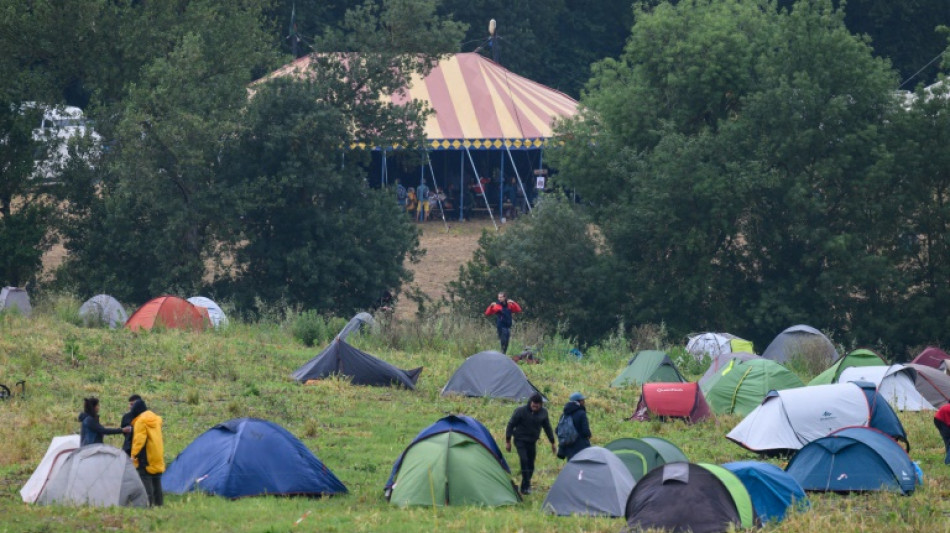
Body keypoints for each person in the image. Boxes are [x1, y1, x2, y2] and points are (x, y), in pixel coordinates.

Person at [505, 393, 556, 495]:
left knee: (531, 465)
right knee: (524, 460)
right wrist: (508, 441)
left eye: (537, 406)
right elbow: (510, 425)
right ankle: (527, 485)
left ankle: (524, 487)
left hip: (532, 441)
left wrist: (552, 442)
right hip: (520, 440)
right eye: (533, 405)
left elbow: (547, 427)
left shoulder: (543, 413)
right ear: (530, 403)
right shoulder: (520, 411)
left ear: (541, 404)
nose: (534, 408)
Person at [129, 397, 165, 506]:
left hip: (146, 456)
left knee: (146, 480)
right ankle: (159, 504)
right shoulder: (156, 419)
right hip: (157, 454)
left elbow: (139, 440)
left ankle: (148, 505)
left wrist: (134, 455)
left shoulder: (141, 421)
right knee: (157, 480)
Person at [557, 392, 591, 460]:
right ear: (578, 402)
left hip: (569, 447)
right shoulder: (581, 413)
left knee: (572, 464)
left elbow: (557, 429)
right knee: (583, 464)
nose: (584, 402)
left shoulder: (564, 414)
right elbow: (585, 431)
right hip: (581, 446)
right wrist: (589, 434)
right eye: (582, 400)